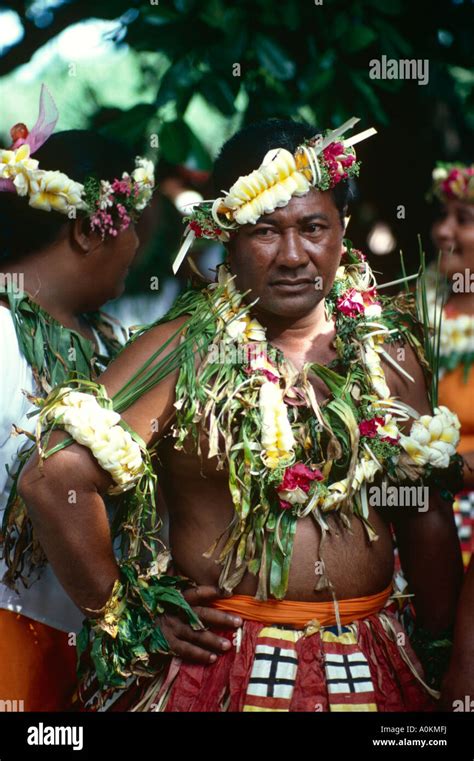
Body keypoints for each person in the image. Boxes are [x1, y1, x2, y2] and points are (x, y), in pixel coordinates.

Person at [19, 118, 464, 712]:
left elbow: (423, 512)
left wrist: (442, 655)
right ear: (225, 235)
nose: (292, 256)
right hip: (220, 670)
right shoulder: (182, 350)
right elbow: (52, 478)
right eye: (265, 232)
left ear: (343, 230)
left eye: (313, 228)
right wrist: (122, 612)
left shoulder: (386, 350)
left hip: (374, 662)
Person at [0, 85, 155, 710]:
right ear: (94, 230)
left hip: (101, 660)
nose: (139, 247)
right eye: (134, 228)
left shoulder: (118, 346)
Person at [428, 163, 474, 568]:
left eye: (464, 219)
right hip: (421, 511)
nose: (444, 231)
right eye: (442, 216)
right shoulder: (414, 312)